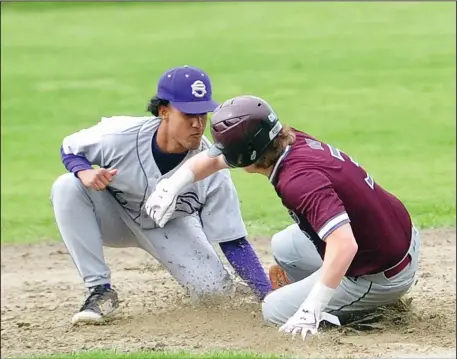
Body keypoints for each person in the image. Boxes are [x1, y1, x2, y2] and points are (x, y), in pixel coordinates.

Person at [146, 95, 421, 340]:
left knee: (274, 309)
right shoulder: (287, 141)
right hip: (395, 235)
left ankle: (362, 311)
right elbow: (214, 160)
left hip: (380, 273)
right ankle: (338, 297)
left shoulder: (298, 181)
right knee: (284, 246)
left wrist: (312, 307)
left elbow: (345, 244)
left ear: (247, 155)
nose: (222, 156)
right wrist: (173, 184)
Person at [51, 68, 272, 325]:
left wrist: (266, 294)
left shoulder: (212, 166)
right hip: (115, 216)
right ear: (163, 111)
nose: (197, 124)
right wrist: (84, 171)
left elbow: (233, 240)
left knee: (214, 294)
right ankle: (100, 290)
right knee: (67, 187)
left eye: (202, 114)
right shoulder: (119, 136)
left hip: (172, 226)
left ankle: (245, 288)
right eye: (188, 114)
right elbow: (70, 147)